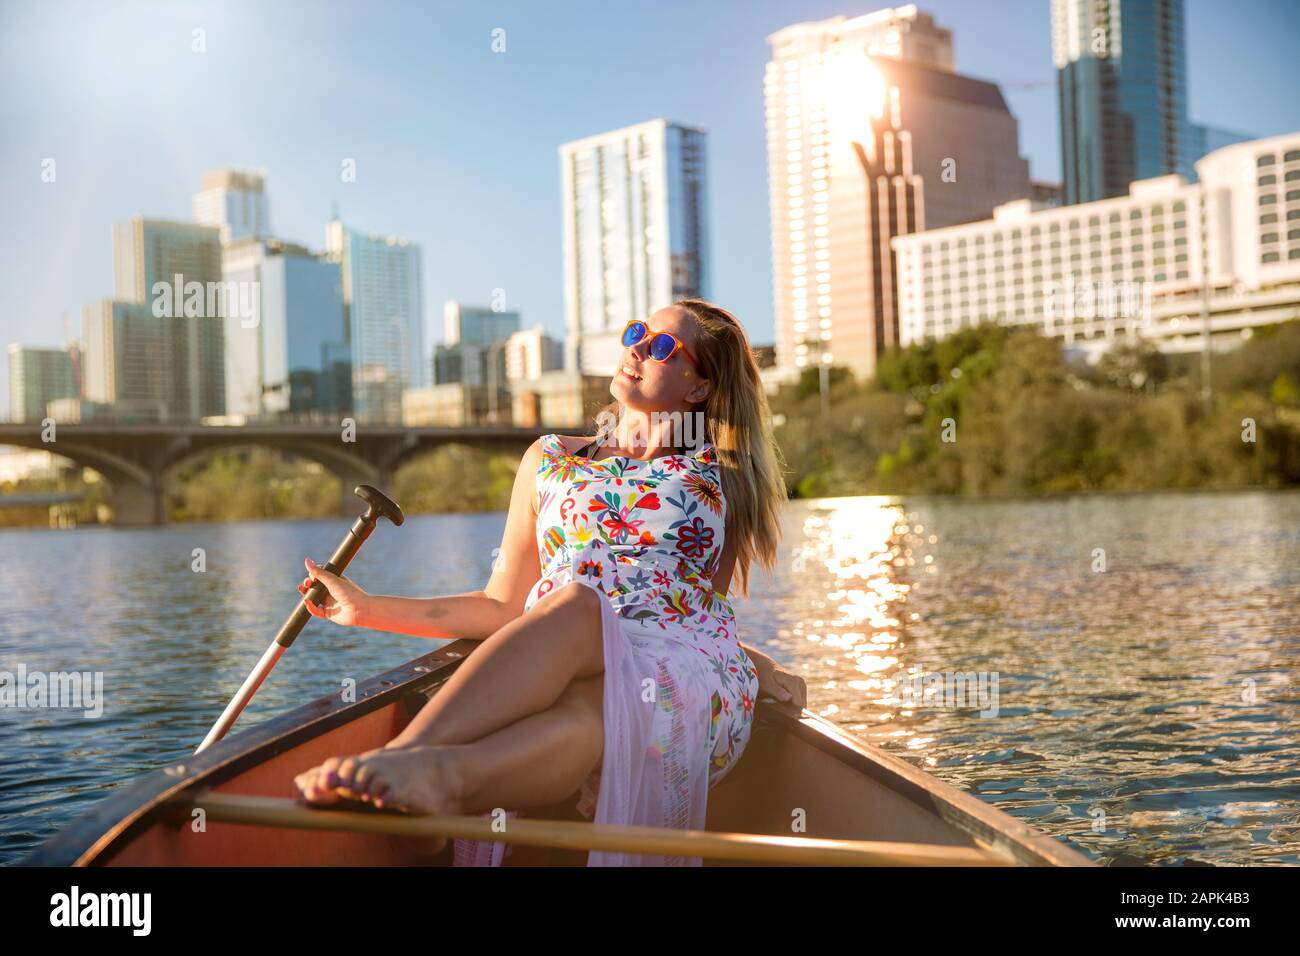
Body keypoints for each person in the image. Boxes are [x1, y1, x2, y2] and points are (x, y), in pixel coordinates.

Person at [291, 298, 806, 865]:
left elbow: (700, 612)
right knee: (580, 650)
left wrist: (759, 664)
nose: (636, 348)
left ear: (699, 390)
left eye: (662, 347)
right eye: (637, 332)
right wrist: (367, 609)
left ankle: (415, 767)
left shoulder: (723, 479)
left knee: (582, 624)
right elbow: (503, 604)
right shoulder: (550, 459)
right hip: (570, 644)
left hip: (676, 673)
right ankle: (419, 770)